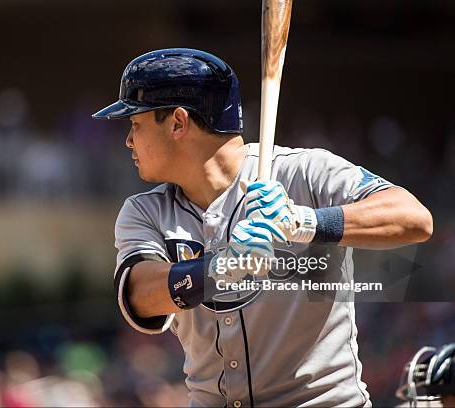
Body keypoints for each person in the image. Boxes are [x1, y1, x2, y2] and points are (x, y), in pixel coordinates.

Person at [92, 48, 433, 407]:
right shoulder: (145, 211)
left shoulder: (303, 172)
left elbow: (413, 218)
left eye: (136, 124)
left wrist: (304, 222)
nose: (129, 140)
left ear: (178, 122)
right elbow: (140, 296)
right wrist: (218, 269)